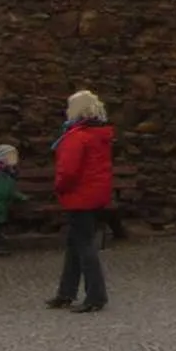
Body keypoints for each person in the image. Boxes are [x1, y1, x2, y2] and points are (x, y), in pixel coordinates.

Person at [46, 91, 114, 313]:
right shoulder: (98, 135)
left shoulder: (76, 137)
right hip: (95, 196)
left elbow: (68, 171)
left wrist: (59, 188)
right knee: (75, 244)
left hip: (79, 197)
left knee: (83, 246)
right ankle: (66, 292)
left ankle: (95, 296)